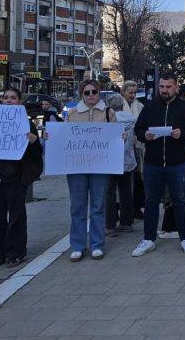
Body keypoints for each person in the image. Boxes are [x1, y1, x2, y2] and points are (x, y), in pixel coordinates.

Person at [132, 74, 185, 257]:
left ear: (176, 87)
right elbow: (138, 129)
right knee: (151, 201)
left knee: (180, 201)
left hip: (177, 162)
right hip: (153, 162)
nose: (164, 90)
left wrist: (181, 134)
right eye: (162, 86)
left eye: (168, 87)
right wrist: (145, 135)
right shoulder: (150, 107)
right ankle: (148, 239)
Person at [0, 88, 43, 269]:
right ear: (1, 100)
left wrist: (33, 141)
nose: (9, 101)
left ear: (19, 101)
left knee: (16, 216)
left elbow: (36, 152)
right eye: (6, 98)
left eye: (13, 98)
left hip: (16, 178)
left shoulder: (26, 123)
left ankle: (15, 253)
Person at [62, 79, 118, 261]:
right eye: (87, 92)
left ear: (99, 93)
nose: (91, 95)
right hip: (77, 166)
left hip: (100, 166)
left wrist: (120, 137)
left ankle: (96, 244)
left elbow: (113, 139)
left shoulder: (109, 113)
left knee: (97, 206)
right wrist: (50, 136)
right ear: (81, 94)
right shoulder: (72, 114)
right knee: (77, 207)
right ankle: (77, 245)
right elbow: (63, 139)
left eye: (94, 91)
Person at [105, 94, 137, 235]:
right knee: (126, 193)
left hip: (110, 160)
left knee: (109, 193)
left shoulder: (108, 120)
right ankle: (126, 222)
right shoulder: (131, 119)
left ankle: (110, 224)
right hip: (127, 159)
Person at [120, 81, 146, 221]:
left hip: (137, 145)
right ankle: (121, 207)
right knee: (124, 180)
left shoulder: (140, 106)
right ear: (123, 92)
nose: (133, 95)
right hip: (123, 147)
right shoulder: (117, 105)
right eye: (130, 92)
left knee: (138, 178)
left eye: (135, 93)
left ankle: (136, 207)